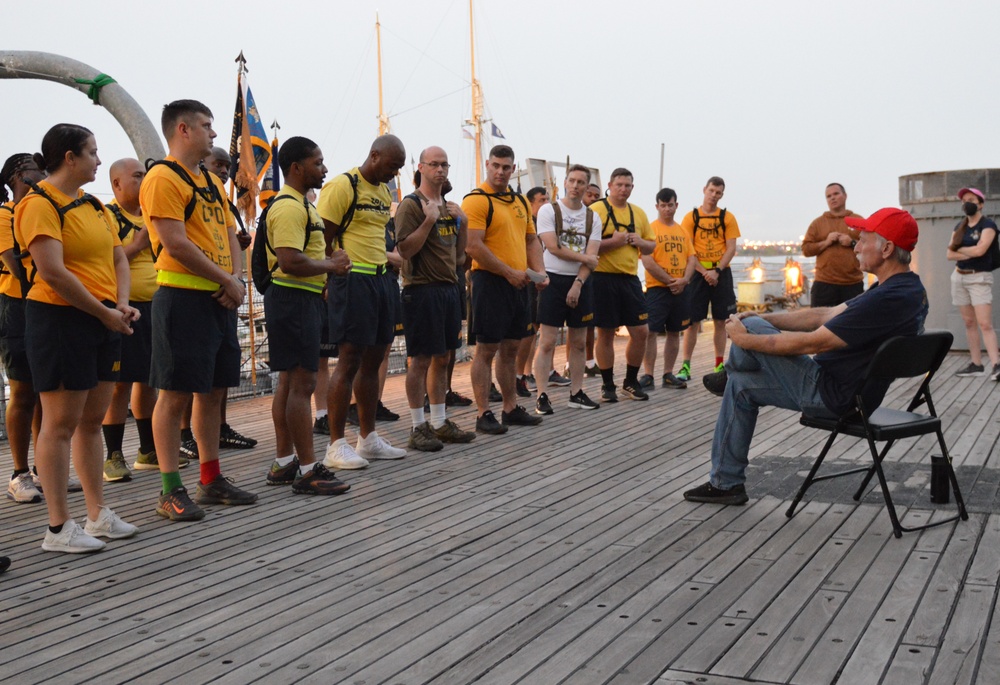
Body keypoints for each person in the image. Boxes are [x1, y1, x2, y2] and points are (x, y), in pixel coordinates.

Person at [684, 208, 928, 505]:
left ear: (887, 248)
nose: (857, 246)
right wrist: (773, 320)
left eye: (863, 239)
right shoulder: (906, 289)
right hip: (856, 395)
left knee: (747, 327)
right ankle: (726, 484)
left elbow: (815, 342)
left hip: (833, 394)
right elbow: (824, 314)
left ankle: (731, 368)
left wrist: (746, 338)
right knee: (741, 387)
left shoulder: (885, 299)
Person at [15, 123, 139, 551]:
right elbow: (51, 271)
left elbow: (119, 257)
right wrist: (103, 312)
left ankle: (97, 513)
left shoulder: (94, 206)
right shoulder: (38, 204)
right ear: (70, 157)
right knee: (60, 423)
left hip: (102, 318)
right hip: (60, 318)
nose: (99, 161)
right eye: (92, 152)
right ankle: (58, 527)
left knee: (92, 420)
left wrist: (119, 304)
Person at [140, 99, 258, 522]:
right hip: (182, 298)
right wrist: (225, 279)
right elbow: (174, 242)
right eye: (207, 126)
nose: (213, 133)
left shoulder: (208, 182)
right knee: (173, 395)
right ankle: (170, 489)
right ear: (183, 130)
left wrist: (237, 280)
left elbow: (230, 232)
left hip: (219, 299)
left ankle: (211, 478)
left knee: (213, 391)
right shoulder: (161, 177)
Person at [262, 136, 351, 494]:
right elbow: (289, 260)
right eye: (318, 162)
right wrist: (331, 264)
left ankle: (286, 462)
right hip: (294, 299)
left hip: (301, 299)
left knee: (289, 382)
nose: (324, 169)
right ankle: (308, 469)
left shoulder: (303, 205)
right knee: (302, 383)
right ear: (296, 168)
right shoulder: (288, 207)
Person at [317, 134, 408, 468]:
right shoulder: (344, 186)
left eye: (399, 168)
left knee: (376, 357)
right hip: (352, 280)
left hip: (381, 279)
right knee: (349, 358)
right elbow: (321, 236)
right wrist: (331, 273)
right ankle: (336, 445)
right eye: (392, 165)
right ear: (374, 155)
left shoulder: (384, 191)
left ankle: (368, 438)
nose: (395, 173)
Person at [395, 146, 476, 451]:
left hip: (448, 288)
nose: (440, 170)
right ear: (421, 167)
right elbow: (404, 251)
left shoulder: (449, 207)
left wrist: (464, 223)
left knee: (443, 357)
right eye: (434, 164)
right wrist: (428, 221)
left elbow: (458, 259)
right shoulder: (412, 206)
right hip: (422, 289)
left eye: (444, 165)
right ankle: (418, 426)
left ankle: (440, 422)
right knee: (420, 360)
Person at [462, 145, 547, 435]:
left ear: (513, 169)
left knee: (511, 347)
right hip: (490, 281)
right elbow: (473, 245)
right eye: (496, 165)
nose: (500, 171)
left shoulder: (521, 201)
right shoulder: (476, 201)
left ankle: (510, 408)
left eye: (506, 167)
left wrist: (540, 271)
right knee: (486, 349)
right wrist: (508, 272)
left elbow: (531, 240)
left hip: (519, 282)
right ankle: (483, 413)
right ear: (487, 164)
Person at [99, 158, 167, 482]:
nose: (143, 181)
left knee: (148, 378)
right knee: (120, 381)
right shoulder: (108, 215)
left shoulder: (151, 214)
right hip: (124, 306)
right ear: (117, 184)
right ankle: (112, 455)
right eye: (136, 176)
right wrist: (138, 244)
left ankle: (147, 449)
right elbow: (104, 262)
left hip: (156, 303)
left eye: (145, 175)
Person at [532, 164, 602, 414]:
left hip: (579, 282)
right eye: (571, 181)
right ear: (564, 182)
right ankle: (541, 394)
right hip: (552, 279)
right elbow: (552, 247)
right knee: (548, 342)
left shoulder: (593, 217)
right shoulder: (548, 211)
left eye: (580, 182)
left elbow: (592, 255)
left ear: (586, 186)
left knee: (580, 342)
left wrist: (579, 283)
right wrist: (585, 260)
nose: (575, 186)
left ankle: (576, 392)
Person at [1, 154, 46, 504]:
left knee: (45, 389)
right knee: (23, 390)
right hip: (15, 306)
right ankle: (19, 473)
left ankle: (44, 467)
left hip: (41, 304)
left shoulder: (40, 208)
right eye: (36, 168)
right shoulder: (5, 215)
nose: (43, 174)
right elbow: (16, 268)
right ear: (19, 174)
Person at [589, 168, 655, 402]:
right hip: (602, 277)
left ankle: (630, 380)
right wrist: (613, 242)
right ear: (610, 185)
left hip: (629, 278)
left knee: (641, 332)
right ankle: (608, 385)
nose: (623, 189)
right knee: (605, 332)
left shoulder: (638, 213)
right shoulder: (596, 210)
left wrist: (640, 242)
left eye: (627, 185)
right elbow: (587, 246)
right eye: (619, 185)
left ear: (632, 188)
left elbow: (651, 246)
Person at [678, 176, 741, 384]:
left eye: (718, 193)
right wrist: (704, 272)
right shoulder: (690, 218)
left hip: (721, 273)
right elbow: (688, 249)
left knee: (721, 321)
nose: (714, 196)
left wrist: (717, 271)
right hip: (698, 273)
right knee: (692, 321)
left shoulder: (727, 217)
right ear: (704, 189)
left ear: (722, 195)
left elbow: (731, 247)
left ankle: (719, 363)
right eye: (711, 191)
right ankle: (686, 365)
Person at [641, 188, 697, 389]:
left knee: (675, 331)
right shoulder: (650, 230)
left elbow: (692, 258)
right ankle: (648, 374)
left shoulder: (682, 231)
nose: (667, 209)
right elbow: (647, 261)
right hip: (658, 289)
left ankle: (668, 373)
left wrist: (684, 280)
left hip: (681, 289)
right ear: (657, 207)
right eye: (663, 205)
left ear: (676, 205)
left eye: (670, 205)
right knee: (651, 332)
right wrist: (669, 281)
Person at [947, 187, 1000, 378]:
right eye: (964, 200)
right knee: (969, 322)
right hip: (959, 277)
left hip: (979, 278)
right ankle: (976, 364)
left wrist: (961, 249)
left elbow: (981, 251)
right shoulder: (959, 227)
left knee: (985, 324)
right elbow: (949, 254)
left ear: (981, 203)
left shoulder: (988, 225)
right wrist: (970, 249)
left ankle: (996, 364)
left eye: (971, 199)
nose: (967, 203)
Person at [801, 183, 863, 307]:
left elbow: (870, 247)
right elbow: (806, 250)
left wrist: (851, 242)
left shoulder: (858, 221)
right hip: (824, 284)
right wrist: (826, 242)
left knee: (853, 324)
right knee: (820, 323)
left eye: (836, 194)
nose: (832, 198)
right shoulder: (817, 223)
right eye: (828, 196)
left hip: (852, 284)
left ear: (845, 196)